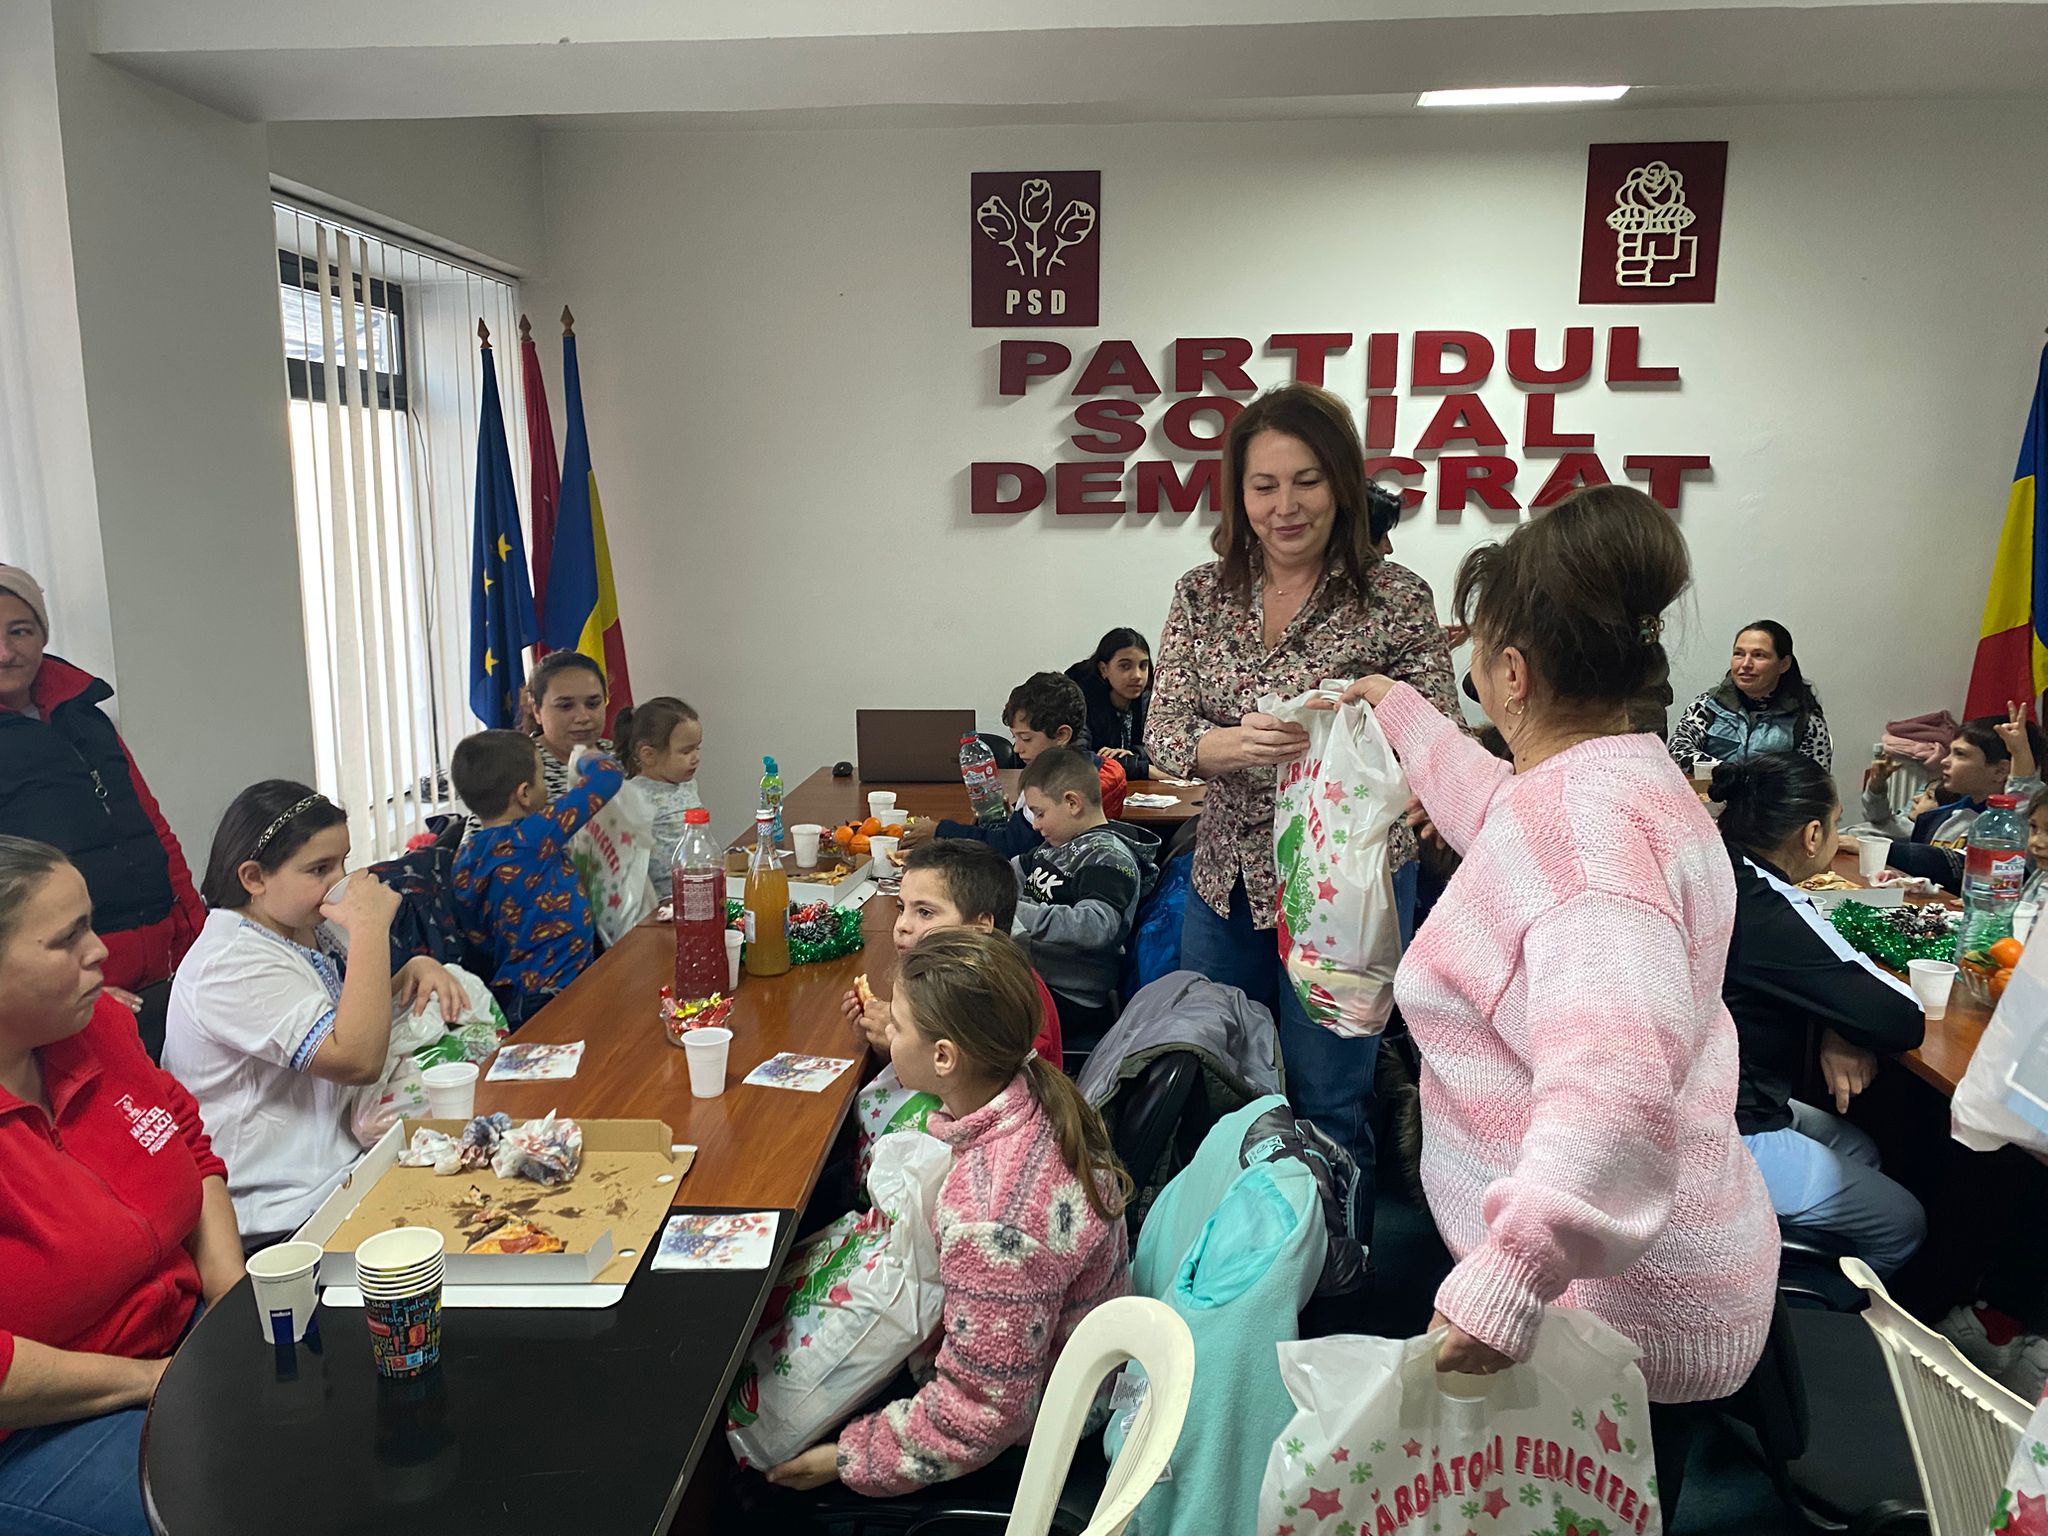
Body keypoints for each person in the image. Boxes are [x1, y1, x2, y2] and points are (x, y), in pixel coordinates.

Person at [1337, 485, 1776, 1516]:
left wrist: (1508, 1281)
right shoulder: (1621, 778)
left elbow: (1612, 1090)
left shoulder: (1583, 841)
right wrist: (1395, 705)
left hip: (1601, 1307)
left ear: (1511, 675)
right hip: (1639, 1262)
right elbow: (1497, 806)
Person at [1146, 382, 1457, 1217]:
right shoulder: (1202, 594)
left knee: (1328, 1095)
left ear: (1343, 484)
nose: (1285, 506)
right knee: (1222, 1081)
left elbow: (1438, 741)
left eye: (1307, 481)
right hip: (1227, 881)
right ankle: (1236, 1258)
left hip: (1346, 890)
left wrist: (1371, 727)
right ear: (1239, 495)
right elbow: (1163, 732)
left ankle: (1334, 1263)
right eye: (1264, 485)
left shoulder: (1396, 598)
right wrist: (1226, 747)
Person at [767, 929, 1131, 1495]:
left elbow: (982, 1416)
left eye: (898, 1026)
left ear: (944, 1057)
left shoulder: (993, 1220)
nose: (887, 1033)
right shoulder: (1029, 1090)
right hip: (1037, 1362)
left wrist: (843, 1458)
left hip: (1034, 1428)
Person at [0, 837, 244, 1536]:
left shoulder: (97, 1026)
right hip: (39, 1425)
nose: (100, 951)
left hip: (181, 1338)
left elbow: (190, 1146)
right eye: (67, 939)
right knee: (237, 1499)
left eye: (93, 924)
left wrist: (231, 1298)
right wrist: (156, 1380)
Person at [164, 781, 464, 1241]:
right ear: (254, 878)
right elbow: (357, 1059)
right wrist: (369, 928)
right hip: (285, 1213)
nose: (340, 882)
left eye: (344, 862)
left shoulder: (301, 924)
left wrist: (409, 971)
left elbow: (335, 1013)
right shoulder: (230, 963)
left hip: (345, 1172)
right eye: (320, 869)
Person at [1710, 754, 1927, 1275]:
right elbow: (1901, 1018)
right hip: (1726, 1124)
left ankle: (1806, 1260)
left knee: (1860, 1149)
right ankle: (1808, 1304)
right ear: (1812, 836)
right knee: (1904, 1222)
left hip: (1719, 1091)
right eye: (1835, 823)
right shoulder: (1766, 905)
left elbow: (1823, 978)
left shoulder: (1723, 868)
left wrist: (1834, 1019)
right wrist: (1843, 1015)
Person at [0, 563, 205, 1039]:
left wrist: (197, 934)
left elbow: (152, 827)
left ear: (43, 634)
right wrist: (62, 991)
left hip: (166, 963)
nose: (6, 652)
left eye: (20, 631)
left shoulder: (87, 718)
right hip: (71, 986)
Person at [449, 730, 625, 1024]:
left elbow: (478, 935)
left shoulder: (465, 857)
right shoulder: (534, 835)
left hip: (512, 994)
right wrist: (584, 757)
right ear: (524, 794)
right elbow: (608, 777)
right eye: (541, 777)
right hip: (559, 993)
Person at [840, 838, 1062, 1066]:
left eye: (925, 912)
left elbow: (982, 1082)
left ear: (979, 927)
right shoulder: (938, 977)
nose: (902, 925)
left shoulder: (1009, 1004)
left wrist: (902, 1041)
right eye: (901, 908)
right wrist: (882, 1045)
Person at [1011, 747, 1158, 1049]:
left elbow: (1095, 926)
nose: (1035, 825)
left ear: (1072, 803)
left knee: (960, 1010)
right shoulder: (1057, 845)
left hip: (1071, 997)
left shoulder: (1107, 857)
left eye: (1039, 813)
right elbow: (1010, 873)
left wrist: (1009, 910)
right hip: (1037, 976)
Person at [904, 671, 1127, 859]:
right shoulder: (1076, 768)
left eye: (1026, 738)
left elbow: (1009, 847)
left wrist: (939, 832)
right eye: (1015, 737)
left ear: (1061, 735)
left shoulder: (1055, 785)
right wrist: (1012, 816)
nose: (1017, 748)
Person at [1857, 706, 2044, 892]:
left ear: (2000, 770)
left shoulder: (2020, 824)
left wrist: (2020, 753)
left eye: (1960, 754)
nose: (1944, 761)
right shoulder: (1939, 817)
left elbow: (1960, 865)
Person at [1669, 620, 1832, 771]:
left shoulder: (1806, 718)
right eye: (1739, 654)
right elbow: (1678, 750)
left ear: (1784, 664)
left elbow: (1814, 780)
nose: (1746, 664)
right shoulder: (1708, 705)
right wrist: (1729, 774)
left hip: (1775, 794)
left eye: (1759, 655)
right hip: (1713, 791)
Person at [612, 696, 703, 854]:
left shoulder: (688, 784)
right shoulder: (632, 796)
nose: (696, 758)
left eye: (697, 748)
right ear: (649, 755)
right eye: (686, 751)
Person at [1065, 628, 1153, 778]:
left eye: (1143, 666)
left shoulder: (1153, 701)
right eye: (1125, 666)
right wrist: (1142, 768)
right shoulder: (1081, 703)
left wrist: (1134, 754)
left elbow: (1167, 751)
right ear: (1104, 669)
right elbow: (1077, 758)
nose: (1137, 675)